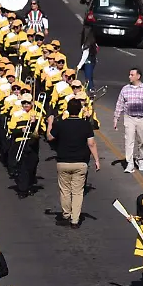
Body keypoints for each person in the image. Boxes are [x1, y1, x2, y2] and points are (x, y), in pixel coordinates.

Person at [48, 98, 100, 228]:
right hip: (81, 163)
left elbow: (50, 137)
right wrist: (97, 160)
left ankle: (66, 214)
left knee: (65, 190)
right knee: (77, 192)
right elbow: (91, 143)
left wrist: (50, 123)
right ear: (80, 110)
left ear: (67, 109)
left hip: (63, 161)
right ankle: (75, 219)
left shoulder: (61, 124)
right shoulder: (85, 125)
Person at [113, 68, 143, 173]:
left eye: (132, 74)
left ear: (138, 76)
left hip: (142, 119)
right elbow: (119, 104)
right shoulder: (125, 89)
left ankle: (140, 159)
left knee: (142, 141)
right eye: (129, 74)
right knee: (129, 141)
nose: (129, 76)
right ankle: (130, 163)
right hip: (129, 118)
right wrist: (116, 118)